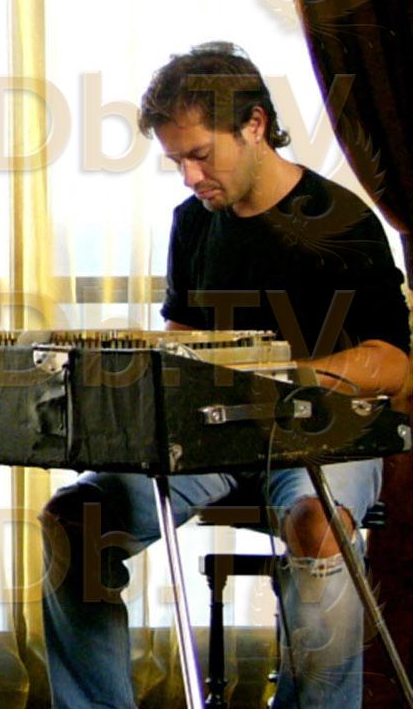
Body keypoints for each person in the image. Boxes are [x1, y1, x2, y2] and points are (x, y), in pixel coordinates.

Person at [41, 42, 410, 708]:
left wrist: (285, 376)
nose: (189, 176)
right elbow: (182, 345)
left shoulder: (342, 222)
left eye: (200, 155)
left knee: (318, 526)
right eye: (176, 160)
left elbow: (395, 364)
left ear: (255, 125)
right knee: (74, 522)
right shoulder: (194, 224)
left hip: (322, 439)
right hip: (210, 440)